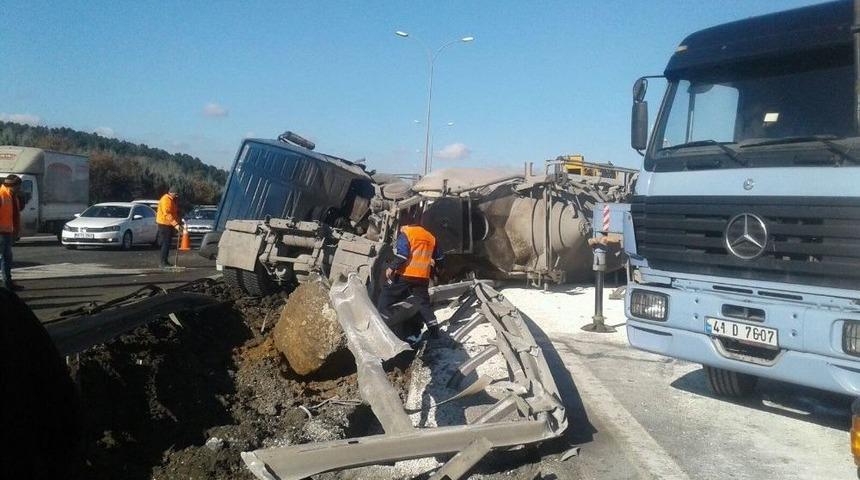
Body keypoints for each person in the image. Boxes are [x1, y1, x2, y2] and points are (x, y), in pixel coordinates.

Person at [376, 208, 445, 340]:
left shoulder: (407, 233)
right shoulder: (430, 237)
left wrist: (391, 267)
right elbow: (440, 258)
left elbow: (402, 255)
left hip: (405, 275)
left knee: (388, 292)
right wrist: (438, 270)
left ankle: (380, 319)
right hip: (422, 277)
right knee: (423, 303)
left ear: (407, 223)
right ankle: (434, 331)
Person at [0, 175, 23, 290]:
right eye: (18, 186)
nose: (20, 188)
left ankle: (8, 282)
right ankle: (7, 283)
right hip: (1, 232)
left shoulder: (13, 196)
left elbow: (14, 215)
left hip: (8, 232)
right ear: (13, 185)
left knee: (7, 258)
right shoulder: (2, 195)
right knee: (3, 258)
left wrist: (15, 231)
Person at [156, 186, 182, 268]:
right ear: (172, 193)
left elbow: (174, 213)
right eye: (176, 194)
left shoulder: (171, 200)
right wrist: (176, 224)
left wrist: (178, 223)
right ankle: (163, 262)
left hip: (169, 224)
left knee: (167, 244)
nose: (177, 196)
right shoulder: (166, 200)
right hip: (164, 224)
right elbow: (167, 214)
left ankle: (165, 261)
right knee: (165, 244)